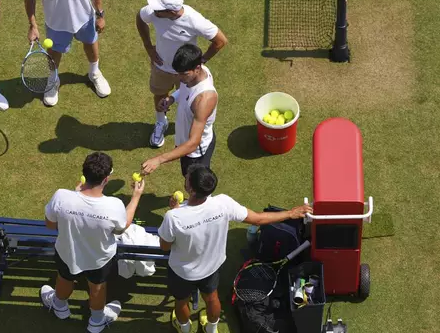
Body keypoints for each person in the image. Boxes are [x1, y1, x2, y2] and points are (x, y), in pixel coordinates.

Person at [158, 164, 313, 333]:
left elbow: (165, 246)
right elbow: (258, 219)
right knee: (211, 299)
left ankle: (184, 329)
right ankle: (211, 329)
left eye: (187, 178)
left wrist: (176, 212)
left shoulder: (173, 217)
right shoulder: (223, 203)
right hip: (211, 268)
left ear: (192, 190)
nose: (185, 178)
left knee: (181, 302)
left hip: (182, 272)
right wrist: (290, 213)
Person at [40, 152, 145, 333]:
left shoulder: (61, 196)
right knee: (97, 287)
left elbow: (50, 224)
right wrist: (136, 196)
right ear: (106, 179)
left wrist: (75, 196)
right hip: (99, 259)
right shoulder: (115, 205)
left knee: (64, 277)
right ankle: (96, 321)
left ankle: (60, 306)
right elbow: (120, 229)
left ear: (84, 173)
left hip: (67, 252)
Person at [136, 0, 227, 148]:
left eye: (159, 9)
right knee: (159, 95)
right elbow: (140, 18)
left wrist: (202, 61)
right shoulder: (153, 12)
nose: (153, 10)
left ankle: (189, 130)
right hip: (161, 67)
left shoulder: (194, 20)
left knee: (189, 102)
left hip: (187, 74)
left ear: (171, 12)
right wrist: (148, 47)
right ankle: (160, 122)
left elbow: (220, 41)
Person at [24, 0, 111, 106]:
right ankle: (53, 80)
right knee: (55, 51)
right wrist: (32, 25)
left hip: (84, 18)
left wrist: (100, 14)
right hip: (56, 23)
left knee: (91, 43)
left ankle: (94, 73)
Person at [141, 44, 218, 177]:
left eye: (183, 74)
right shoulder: (195, 73)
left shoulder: (204, 99)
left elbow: (193, 143)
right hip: (184, 141)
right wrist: (171, 98)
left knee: (195, 187)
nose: (179, 78)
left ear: (197, 68)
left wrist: (158, 159)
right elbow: (184, 89)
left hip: (195, 153)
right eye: (178, 73)